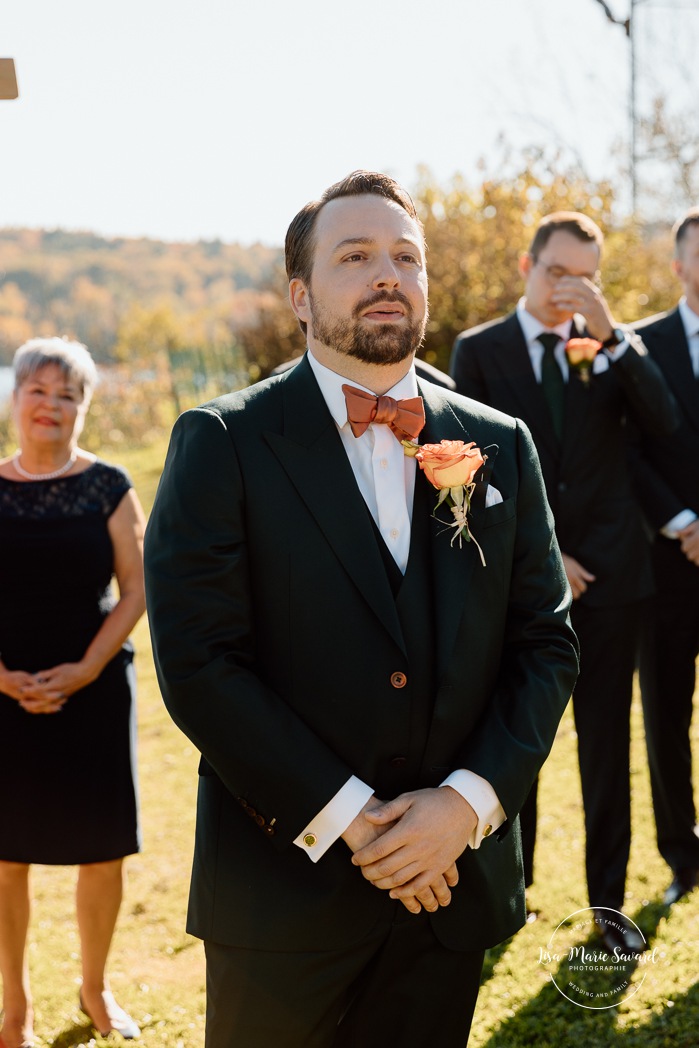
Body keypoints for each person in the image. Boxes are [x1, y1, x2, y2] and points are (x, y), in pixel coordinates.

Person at [144, 170, 578, 1048]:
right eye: (355, 256)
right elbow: (200, 662)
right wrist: (357, 823)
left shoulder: (499, 442)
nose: (387, 274)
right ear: (300, 297)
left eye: (404, 257)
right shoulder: (222, 440)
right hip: (283, 894)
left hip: (447, 893)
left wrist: (461, 807)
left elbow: (545, 644)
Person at [450, 212, 678, 953]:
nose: (567, 288)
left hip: (615, 582)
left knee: (605, 752)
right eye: (556, 272)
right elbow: (473, 470)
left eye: (585, 275)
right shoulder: (478, 351)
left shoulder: (606, 346)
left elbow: (663, 421)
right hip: (522, 585)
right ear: (525, 266)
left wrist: (613, 334)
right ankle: (510, 897)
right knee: (519, 746)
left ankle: (607, 912)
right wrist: (547, 557)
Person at [0, 337, 146, 1048]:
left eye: (68, 395)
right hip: (2, 695)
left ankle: (95, 987)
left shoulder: (110, 486)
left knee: (100, 850)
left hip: (91, 692)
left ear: (83, 408)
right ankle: (14, 1008)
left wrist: (88, 668)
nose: (51, 405)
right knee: (5, 856)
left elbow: (137, 588)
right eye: (39, 390)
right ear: (15, 398)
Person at [630, 209, 699, 906]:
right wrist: (681, 522)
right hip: (665, 566)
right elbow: (626, 452)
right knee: (666, 716)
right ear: (677, 265)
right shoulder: (637, 346)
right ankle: (681, 853)